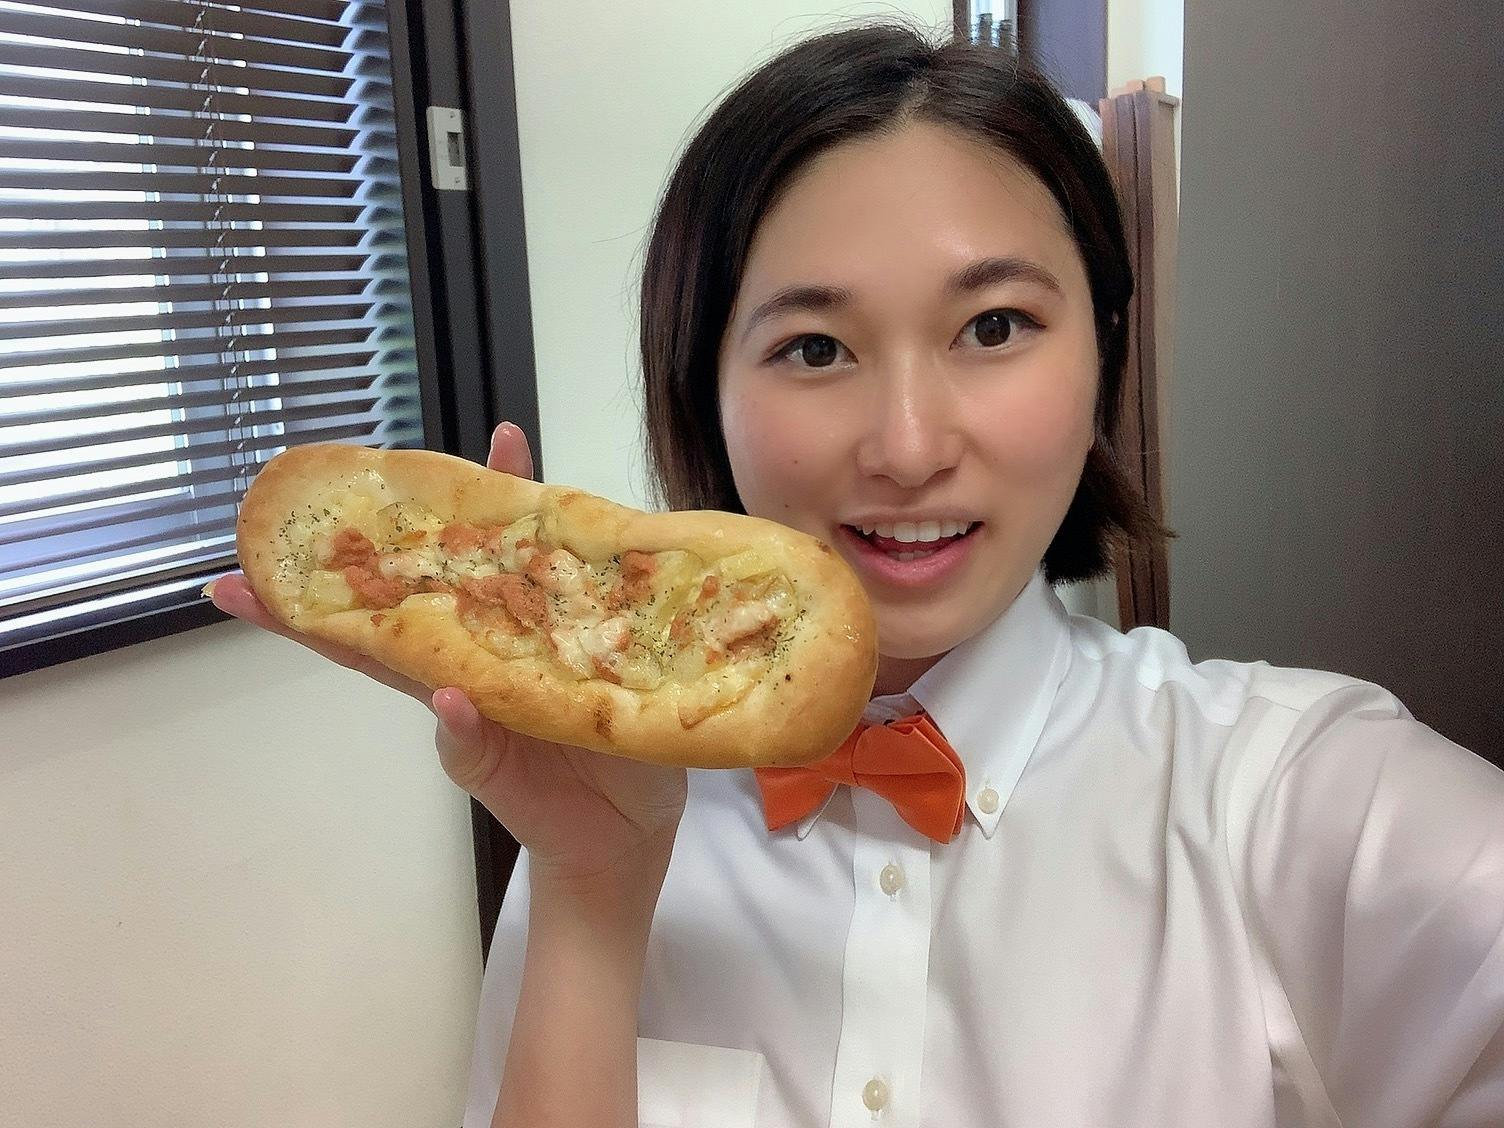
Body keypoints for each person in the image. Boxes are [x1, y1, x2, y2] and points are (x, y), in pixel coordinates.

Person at [210, 24, 1504, 1128]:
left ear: (1104, 355)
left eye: (994, 326)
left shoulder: (1294, 799)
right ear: (704, 394)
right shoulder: (596, 821)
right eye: (816, 347)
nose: (909, 446)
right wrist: (594, 900)